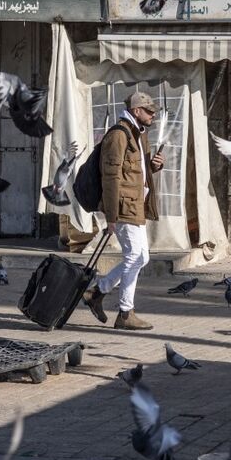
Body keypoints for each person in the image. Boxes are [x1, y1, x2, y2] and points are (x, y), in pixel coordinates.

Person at [82, 90, 165, 330]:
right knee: (135, 256)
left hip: (135, 203)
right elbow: (110, 178)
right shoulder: (118, 136)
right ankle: (125, 313)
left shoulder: (138, 134)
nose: (152, 115)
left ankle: (98, 292)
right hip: (122, 206)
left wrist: (154, 166)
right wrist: (111, 217)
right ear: (136, 111)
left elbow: (134, 172)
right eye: (148, 111)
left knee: (142, 257)